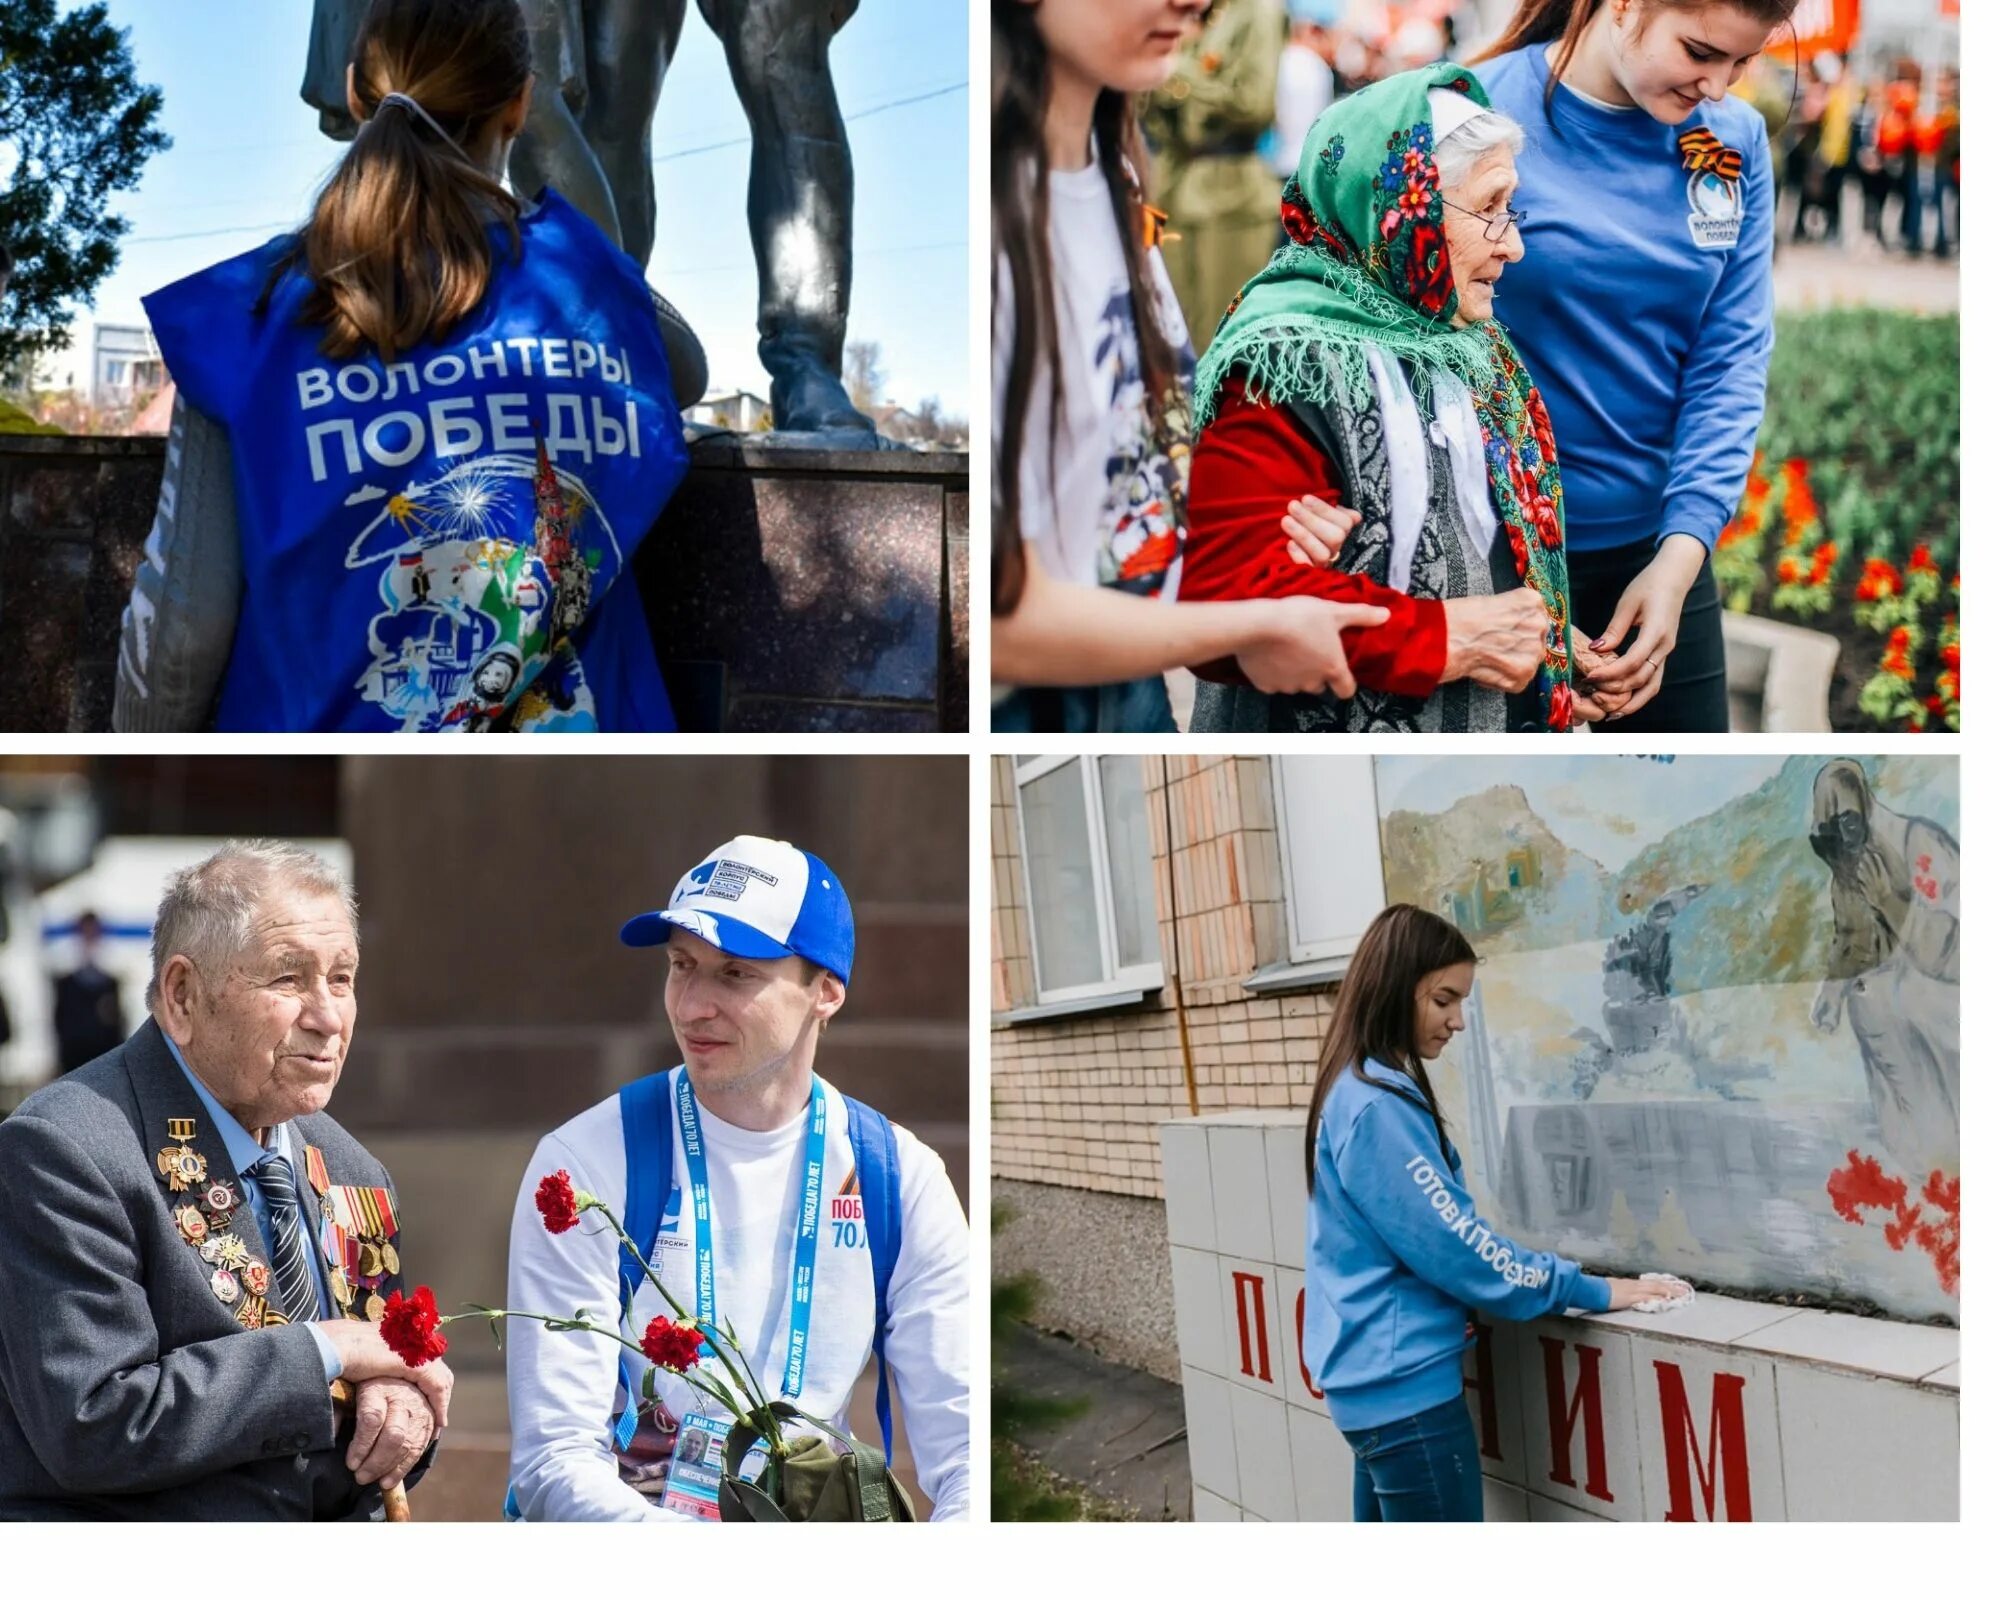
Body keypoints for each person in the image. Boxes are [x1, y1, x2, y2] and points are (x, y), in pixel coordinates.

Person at [117, 0, 706, 734]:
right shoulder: (596, 296)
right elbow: (686, 372)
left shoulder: (250, 316)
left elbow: (183, 625)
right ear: (521, 105)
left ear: (357, 90)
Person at [505, 835, 970, 1521]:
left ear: (826, 992)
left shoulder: (900, 1177)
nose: (692, 1005)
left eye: (734, 975)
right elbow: (555, 1458)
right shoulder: (585, 1163)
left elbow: (966, 1451)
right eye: (681, 966)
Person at [0, 842, 454, 1518]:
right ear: (183, 995)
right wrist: (326, 1350)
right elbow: (93, 1421)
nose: (328, 1016)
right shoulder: (65, 1149)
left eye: (342, 977)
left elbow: (372, 1390)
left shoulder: (353, 1168)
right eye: (288, 978)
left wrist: (401, 1404)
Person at [1181, 68, 1638, 735]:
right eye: (1488, 208)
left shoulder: (1462, 341)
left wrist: (1548, 671)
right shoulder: (1286, 359)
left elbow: (1473, 545)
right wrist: (1445, 638)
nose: (1512, 243)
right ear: (1405, 207)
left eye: (1511, 209)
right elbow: (1223, 602)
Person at [991, 0, 1392, 731]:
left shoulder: (1112, 171)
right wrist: (1247, 629)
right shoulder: (998, 211)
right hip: (1051, 700)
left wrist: (1263, 525)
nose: (1194, 3)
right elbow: (1000, 624)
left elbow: (1140, 458)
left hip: (1130, 673)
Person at [305, 0, 864, 434]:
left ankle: (804, 363)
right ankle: (609, 354)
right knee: (613, 103)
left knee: (784, 52)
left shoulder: (242, 304)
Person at [1472, 0, 1792, 732]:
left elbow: (1729, 359)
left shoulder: (1731, 139)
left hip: (1656, 556)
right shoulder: (1468, 110)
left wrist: (1679, 560)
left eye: (1742, 63)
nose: (1718, 87)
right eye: (1700, 52)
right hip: (1491, 558)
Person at [1301, 904, 1680, 1523]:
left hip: (1374, 1389)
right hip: (1406, 1402)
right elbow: (1459, 1248)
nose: (1458, 1021)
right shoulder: (1377, 1109)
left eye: (1462, 1001)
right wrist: (1591, 1287)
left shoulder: (1356, 1087)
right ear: (1396, 986)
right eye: (1444, 999)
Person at [1808, 760, 1959, 1179]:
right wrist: (1832, 995)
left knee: (1945, 1138)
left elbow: (1962, 951)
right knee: (1908, 1139)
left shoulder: (1920, 844)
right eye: (1832, 824)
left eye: (1849, 819)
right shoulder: (1847, 868)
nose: (1844, 832)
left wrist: (1893, 903)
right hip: (1882, 1029)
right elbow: (1850, 936)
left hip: (1936, 1026)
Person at [1143, 0, 1288, 356]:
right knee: (1169, 337)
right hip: (1171, 189)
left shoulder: (1256, 11)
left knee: (1224, 347)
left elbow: (1254, 103)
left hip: (1231, 196)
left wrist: (1177, 73)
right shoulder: (1178, 11)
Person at [52, 910, 126, 1075]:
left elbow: (117, 1022)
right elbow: (60, 1022)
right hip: (74, 1059)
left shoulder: (111, 980)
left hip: (104, 1057)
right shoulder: (65, 979)